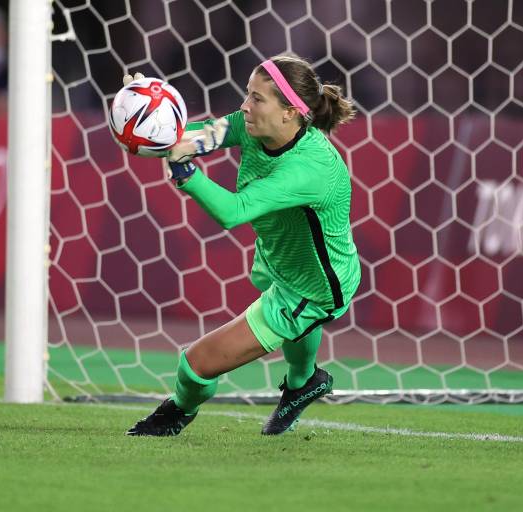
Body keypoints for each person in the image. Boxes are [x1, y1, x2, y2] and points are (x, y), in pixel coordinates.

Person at [125, 54, 360, 436]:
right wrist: (146, 112)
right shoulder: (252, 128)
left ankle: (177, 411)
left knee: (195, 364)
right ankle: (305, 382)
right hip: (283, 259)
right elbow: (193, 136)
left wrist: (186, 175)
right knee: (299, 335)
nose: (244, 106)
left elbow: (234, 212)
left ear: (289, 113)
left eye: (257, 99)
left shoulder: (310, 169)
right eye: (246, 94)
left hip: (313, 287)